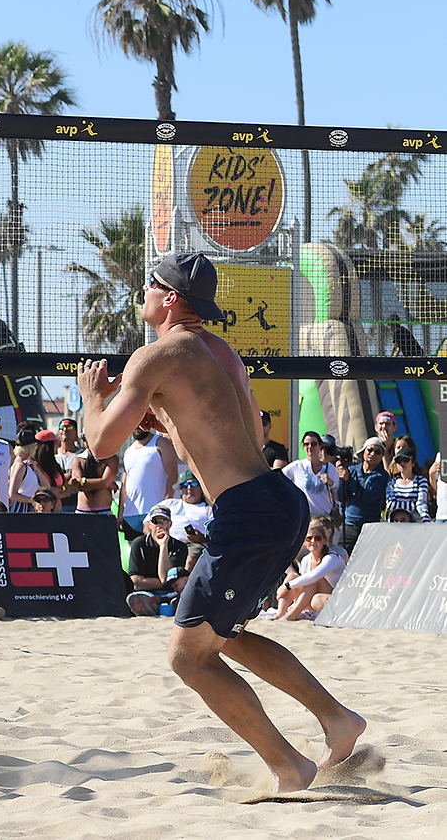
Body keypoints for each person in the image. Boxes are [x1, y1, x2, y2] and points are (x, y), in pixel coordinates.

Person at [79, 251, 363, 793]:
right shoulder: (222, 352)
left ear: (170, 298)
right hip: (278, 497)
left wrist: (95, 398)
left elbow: (99, 444)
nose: (141, 290)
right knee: (223, 638)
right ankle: (337, 721)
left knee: (187, 658)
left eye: (149, 284)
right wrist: (175, 423)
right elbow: (251, 436)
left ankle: (290, 766)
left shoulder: (155, 355)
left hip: (249, 511)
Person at [265, 519, 346, 622]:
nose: (313, 541)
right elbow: (303, 583)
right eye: (309, 538)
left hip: (330, 598)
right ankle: (280, 613)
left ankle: (292, 615)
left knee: (313, 579)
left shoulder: (332, 557)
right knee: (292, 576)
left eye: (317, 538)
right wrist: (290, 583)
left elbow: (315, 576)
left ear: (324, 541)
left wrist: (286, 586)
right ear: (304, 541)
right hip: (311, 599)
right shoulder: (306, 559)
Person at [126, 504, 190, 616]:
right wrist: (165, 583)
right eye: (156, 521)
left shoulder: (180, 547)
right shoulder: (139, 544)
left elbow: (166, 579)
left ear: (169, 525)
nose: (159, 525)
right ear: (150, 524)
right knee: (136, 599)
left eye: (163, 521)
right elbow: (136, 582)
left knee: (182, 599)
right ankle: (158, 607)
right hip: (147, 593)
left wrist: (163, 546)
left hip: (172, 593)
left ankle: (164, 606)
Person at [118, 424, 179, 537]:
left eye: (139, 424)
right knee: (135, 553)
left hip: (154, 513)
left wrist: (164, 506)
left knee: (156, 552)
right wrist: (120, 513)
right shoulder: (128, 452)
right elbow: (124, 485)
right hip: (130, 515)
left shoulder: (161, 443)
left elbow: (173, 475)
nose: (136, 427)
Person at [335, 437, 389, 551]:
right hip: (349, 524)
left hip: (370, 526)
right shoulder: (351, 469)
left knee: (366, 561)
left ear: (381, 456)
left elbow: (368, 497)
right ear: (364, 451)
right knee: (341, 557)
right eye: (370, 450)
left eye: (378, 452)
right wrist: (342, 479)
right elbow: (340, 496)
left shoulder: (382, 476)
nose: (373, 454)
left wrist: (351, 480)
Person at [281, 432, 338, 520]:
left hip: (324, 519)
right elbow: (278, 479)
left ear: (320, 446)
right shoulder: (297, 466)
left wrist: (332, 484)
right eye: (306, 444)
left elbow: (337, 497)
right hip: (304, 518)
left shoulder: (330, 468)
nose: (310, 447)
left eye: (314, 444)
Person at [6, 429, 54, 513]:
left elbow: (46, 487)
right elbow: (12, 494)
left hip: (30, 506)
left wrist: (36, 469)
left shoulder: (29, 464)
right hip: (22, 507)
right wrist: (33, 501)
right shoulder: (20, 466)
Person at [385, 451, 431, 524]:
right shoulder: (391, 483)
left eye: (405, 460)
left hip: (415, 524)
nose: (402, 463)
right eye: (399, 461)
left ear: (413, 463)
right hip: (395, 524)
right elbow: (391, 504)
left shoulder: (421, 481)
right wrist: (414, 504)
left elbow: (421, 504)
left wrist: (426, 523)